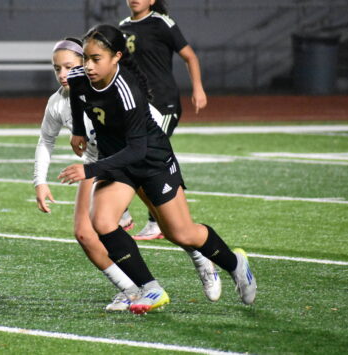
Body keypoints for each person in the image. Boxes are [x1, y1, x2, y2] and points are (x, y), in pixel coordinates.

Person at [58, 25, 256, 315]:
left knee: (182, 233)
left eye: (96, 59)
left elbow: (138, 151)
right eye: (85, 57)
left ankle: (236, 264)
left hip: (152, 161)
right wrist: (78, 130)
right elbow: (78, 96)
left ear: (116, 57)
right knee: (101, 221)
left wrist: (90, 170)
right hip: (119, 161)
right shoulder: (80, 77)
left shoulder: (128, 91)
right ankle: (150, 288)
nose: (87, 65)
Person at [34, 38, 220, 311]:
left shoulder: (112, 88)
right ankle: (132, 290)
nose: (63, 74)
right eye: (56, 68)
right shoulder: (58, 102)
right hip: (97, 163)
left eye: (70, 66)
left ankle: (202, 258)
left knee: (171, 227)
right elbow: (45, 140)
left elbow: (150, 122)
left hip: (136, 161)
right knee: (85, 234)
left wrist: (156, 161)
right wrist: (40, 182)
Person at [120, 0, 208, 241]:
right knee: (128, 149)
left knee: (149, 152)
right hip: (138, 105)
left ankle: (153, 221)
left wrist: (198, 88)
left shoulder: (161, 23)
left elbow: (190, 57)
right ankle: (125, 212)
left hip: (164, 103)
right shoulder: (122, 27)